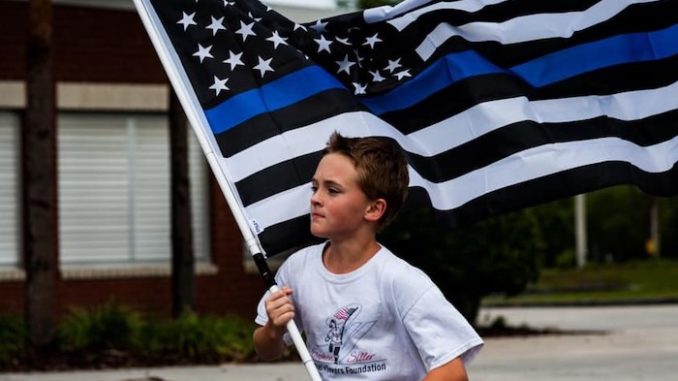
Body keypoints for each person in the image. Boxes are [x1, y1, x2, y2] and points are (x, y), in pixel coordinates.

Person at [253, 132, 483, 380]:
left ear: (373, 209)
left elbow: (453, 371)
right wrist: (274, 329)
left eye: (332, 190)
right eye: (315, 187)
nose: (315, 199)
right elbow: (266, 350)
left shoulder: (399, 280)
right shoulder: (298, 269)